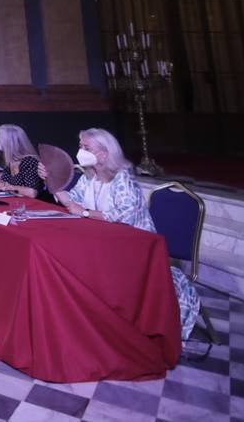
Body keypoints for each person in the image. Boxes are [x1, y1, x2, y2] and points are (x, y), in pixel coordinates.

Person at [47, 128, 201, 339]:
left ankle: (105, 327)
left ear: (104, 153)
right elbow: (71, 202)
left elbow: (121, 217)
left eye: (86, 147)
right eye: (81, 146)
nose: (80, 151)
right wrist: (52, 181)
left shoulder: (123, 180)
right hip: (104, 245)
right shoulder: (90, 179)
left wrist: (84, 212)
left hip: (134, 251)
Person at [0, 123, 42, 197]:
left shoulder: (29, 161)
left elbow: (32, 192)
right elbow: (4, 183)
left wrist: (2, 186)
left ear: (8, 142)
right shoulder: (10, 161)